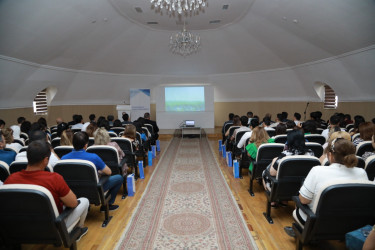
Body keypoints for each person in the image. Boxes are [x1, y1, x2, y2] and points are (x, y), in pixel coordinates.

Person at [5, 140, 89, 240]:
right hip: (52, 228)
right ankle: (76, 232)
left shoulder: (10, 179)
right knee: (84, 201)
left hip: (20, 228)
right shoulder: (54, 178)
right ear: (45, 160)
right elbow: (73, 203)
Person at [284, 139, 368, 235]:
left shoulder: (317, 171)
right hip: (352, 224)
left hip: (317, 223)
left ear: (330, 155)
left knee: (299, 202)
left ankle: (302, 233)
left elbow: (304, 200)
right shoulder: (362, 172)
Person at [62, 132, 123, 211]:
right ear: (86, 145)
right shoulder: (94, 157)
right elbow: (109, 172)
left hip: (72, 192)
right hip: (93, 190)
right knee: (119, 178)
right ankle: (107, 205)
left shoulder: (63, 158)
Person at [262, 130, 314, 200]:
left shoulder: (285, 154)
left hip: (281, 188)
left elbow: (272, 173)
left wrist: (274, 160)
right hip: (301, 188)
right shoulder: (311, 153)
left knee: (265, 173)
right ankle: (284, 201)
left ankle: (273, 201)